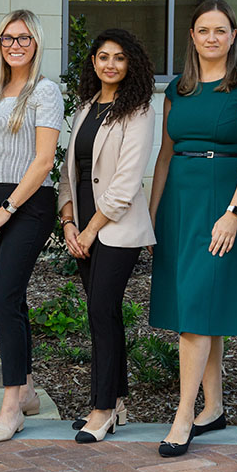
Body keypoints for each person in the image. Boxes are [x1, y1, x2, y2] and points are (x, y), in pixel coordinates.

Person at [148, 0, 237, 457]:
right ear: (193, 37)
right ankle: (213, 407)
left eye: (221, 30)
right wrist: (152, 214)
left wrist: (234, 212)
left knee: (196, 308)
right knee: (201, 304)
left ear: (233, 36)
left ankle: (183, 417)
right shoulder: (177, 89)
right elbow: (164, 154)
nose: (212, 37)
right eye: (204, 30)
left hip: (224, 204)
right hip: (180, 203)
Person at [58, 28, 156, 443]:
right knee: (105, 314)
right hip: (80, 227)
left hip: (116, 230)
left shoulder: (140, 110)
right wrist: (68, 223)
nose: (110, 64)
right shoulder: (84, 108)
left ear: (130, 63)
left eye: (119, 57)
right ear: (93, 62)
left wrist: (91, 229)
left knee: (101, 310)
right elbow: (69, 173)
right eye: (103, 57)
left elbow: (126, 181)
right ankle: (115, 400)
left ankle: (100, 410)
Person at [0, 9, 64, 443]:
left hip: (28, 204)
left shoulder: (44, 92)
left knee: (3, 299)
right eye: (8, 38)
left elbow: (44, 160)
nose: (15, 45)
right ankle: (26, 389)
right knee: (13, 297)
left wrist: (6, 207)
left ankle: (11, 406)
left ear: (36, 43)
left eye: (24, 38)